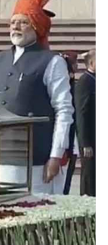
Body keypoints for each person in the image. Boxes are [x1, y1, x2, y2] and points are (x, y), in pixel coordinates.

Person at [0, 0, 74, 194]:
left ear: (36, 27)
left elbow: (64, 111)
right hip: (0, 155)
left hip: (36, 158)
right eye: (12, 22)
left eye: (23, 22)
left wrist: (55, 156)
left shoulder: (52, 61)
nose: (15, 26)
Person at [76, 49, 96, 196]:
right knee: (90, 175)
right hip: (91, 138)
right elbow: (81, 113)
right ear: (92, 63)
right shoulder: (85, 81)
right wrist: (85, 142)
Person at [60, 51, 79, 195]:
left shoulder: (73, 85)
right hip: (65, 141)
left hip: (72, 140)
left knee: (66, 182)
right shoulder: (65, 87)